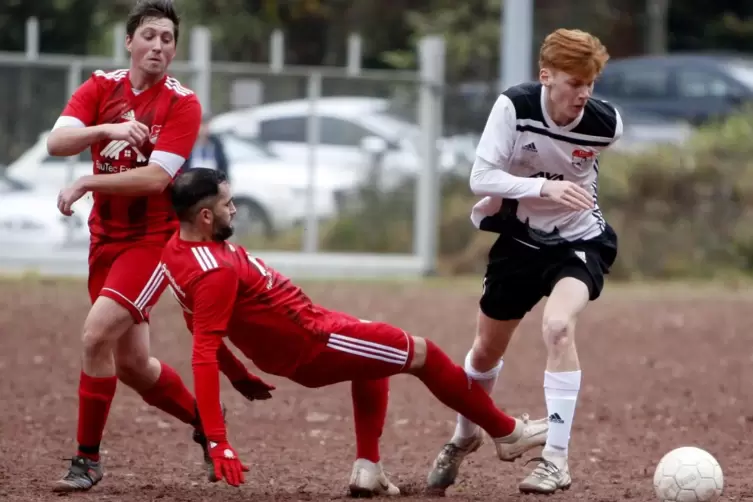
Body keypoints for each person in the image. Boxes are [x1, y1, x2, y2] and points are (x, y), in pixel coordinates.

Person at [158, 167, 549, 494]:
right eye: (227, 204)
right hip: (313, 339)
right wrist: (217, 440)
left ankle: (368, 471)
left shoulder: (175, 250)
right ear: (206, 217)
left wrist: (240, 374)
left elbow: (196, 319)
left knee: (371, 354)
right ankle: (507, 433)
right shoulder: (215, 272)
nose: (235, 209)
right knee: (423, 353)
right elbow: (203, 353)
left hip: (309, 329)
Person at [46, 0, 275, 492]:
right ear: (130, 42)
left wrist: (88, 180)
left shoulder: (182, 102)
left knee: (93, 337)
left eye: (167, 38)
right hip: (103, 241)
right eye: (149, 35)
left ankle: (87, 460)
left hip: (150, 243)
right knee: (132, 364)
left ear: (174, 49)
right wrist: (106, 128)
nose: (158, 45)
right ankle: (206, 428)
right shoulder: (100, 87)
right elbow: (56, 142)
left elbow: (157, 178)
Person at [425, 28, 623, 495]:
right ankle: (463, 436)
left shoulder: (605, 124)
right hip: (519, 242)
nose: (584, 94)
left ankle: (555, 458)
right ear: (546, 76)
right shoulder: (515, 106)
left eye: (590, 83)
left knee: (558, 327)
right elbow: (480, 177)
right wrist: (542, 188)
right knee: (484, 352)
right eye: (575, 83)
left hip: (580, 241)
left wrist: (561, 192)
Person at [186, 114, 229, 179]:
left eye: (206, 125)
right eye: (201, 125)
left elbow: (223, 165)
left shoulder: (215, 144)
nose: (203, 129)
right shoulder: (189, 144)